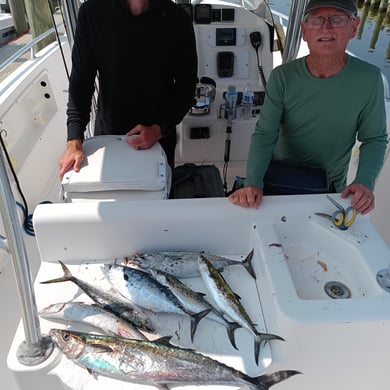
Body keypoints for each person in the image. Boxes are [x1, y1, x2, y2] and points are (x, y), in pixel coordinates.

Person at [229, 0, 388, 214]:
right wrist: (253, 182)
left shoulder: (369, 79)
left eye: (337, 19)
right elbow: (265, 134)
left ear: (354, 27)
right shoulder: (282, 77)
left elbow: (374, 139)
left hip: (330, 190)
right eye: (316, 20)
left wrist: (364, 182)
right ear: (304, 31)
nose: (326, 27)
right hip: (277, 182)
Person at [58, 0, 197, 179]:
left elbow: (186, 87)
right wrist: (74, 139)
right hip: (109, 137)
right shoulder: (92, 13)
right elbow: (81, 82)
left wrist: (159, 128)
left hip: (158, 140)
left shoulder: (177, 19)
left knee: (159, 199)